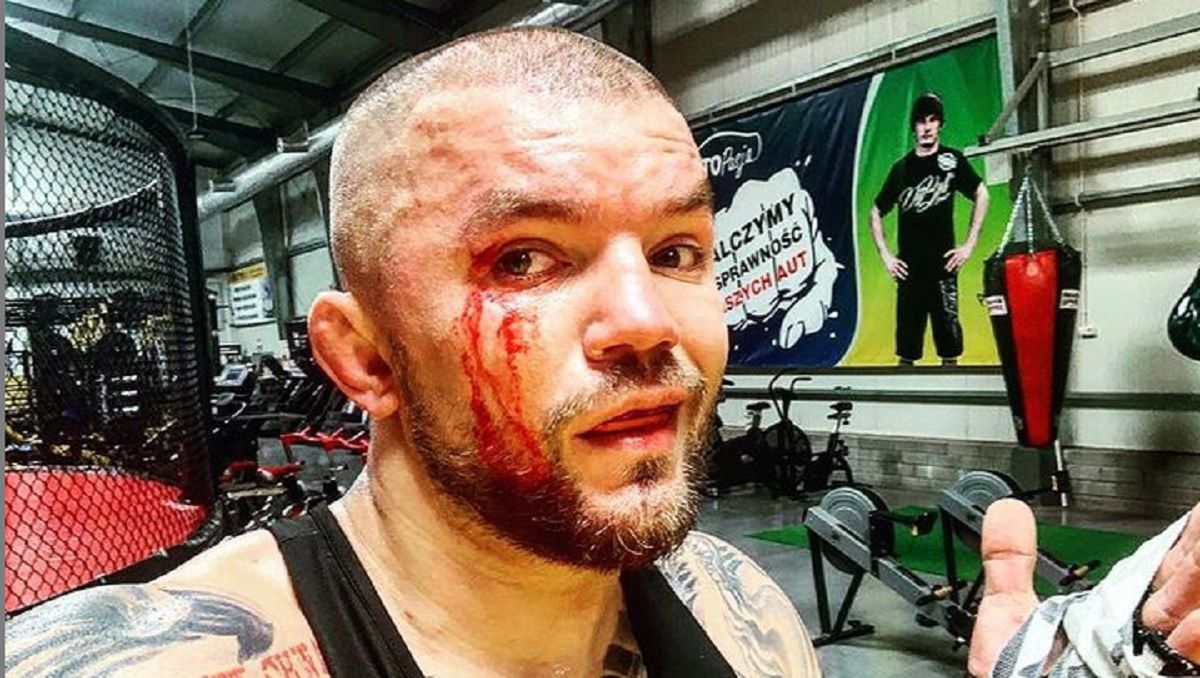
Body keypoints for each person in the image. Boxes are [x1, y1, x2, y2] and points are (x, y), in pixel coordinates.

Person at [5, 27, 1198, 678]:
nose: (648, 321)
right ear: (364, 360)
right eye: (526, 257)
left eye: (678, 250)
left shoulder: (741, 617)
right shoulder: (174, 663)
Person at [869, 92, 990, 366]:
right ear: (914, 127)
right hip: (910, 271)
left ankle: (952, 392)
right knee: (907, 350)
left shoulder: (952, 160)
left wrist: (969, 245)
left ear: (940, 125)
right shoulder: (901, 169)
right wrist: (886, 256)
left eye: (932, 120)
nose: (927, 127)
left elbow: (982, 193)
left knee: (949, 348)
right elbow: (876, 211)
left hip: (943, 268)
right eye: (921, 121)